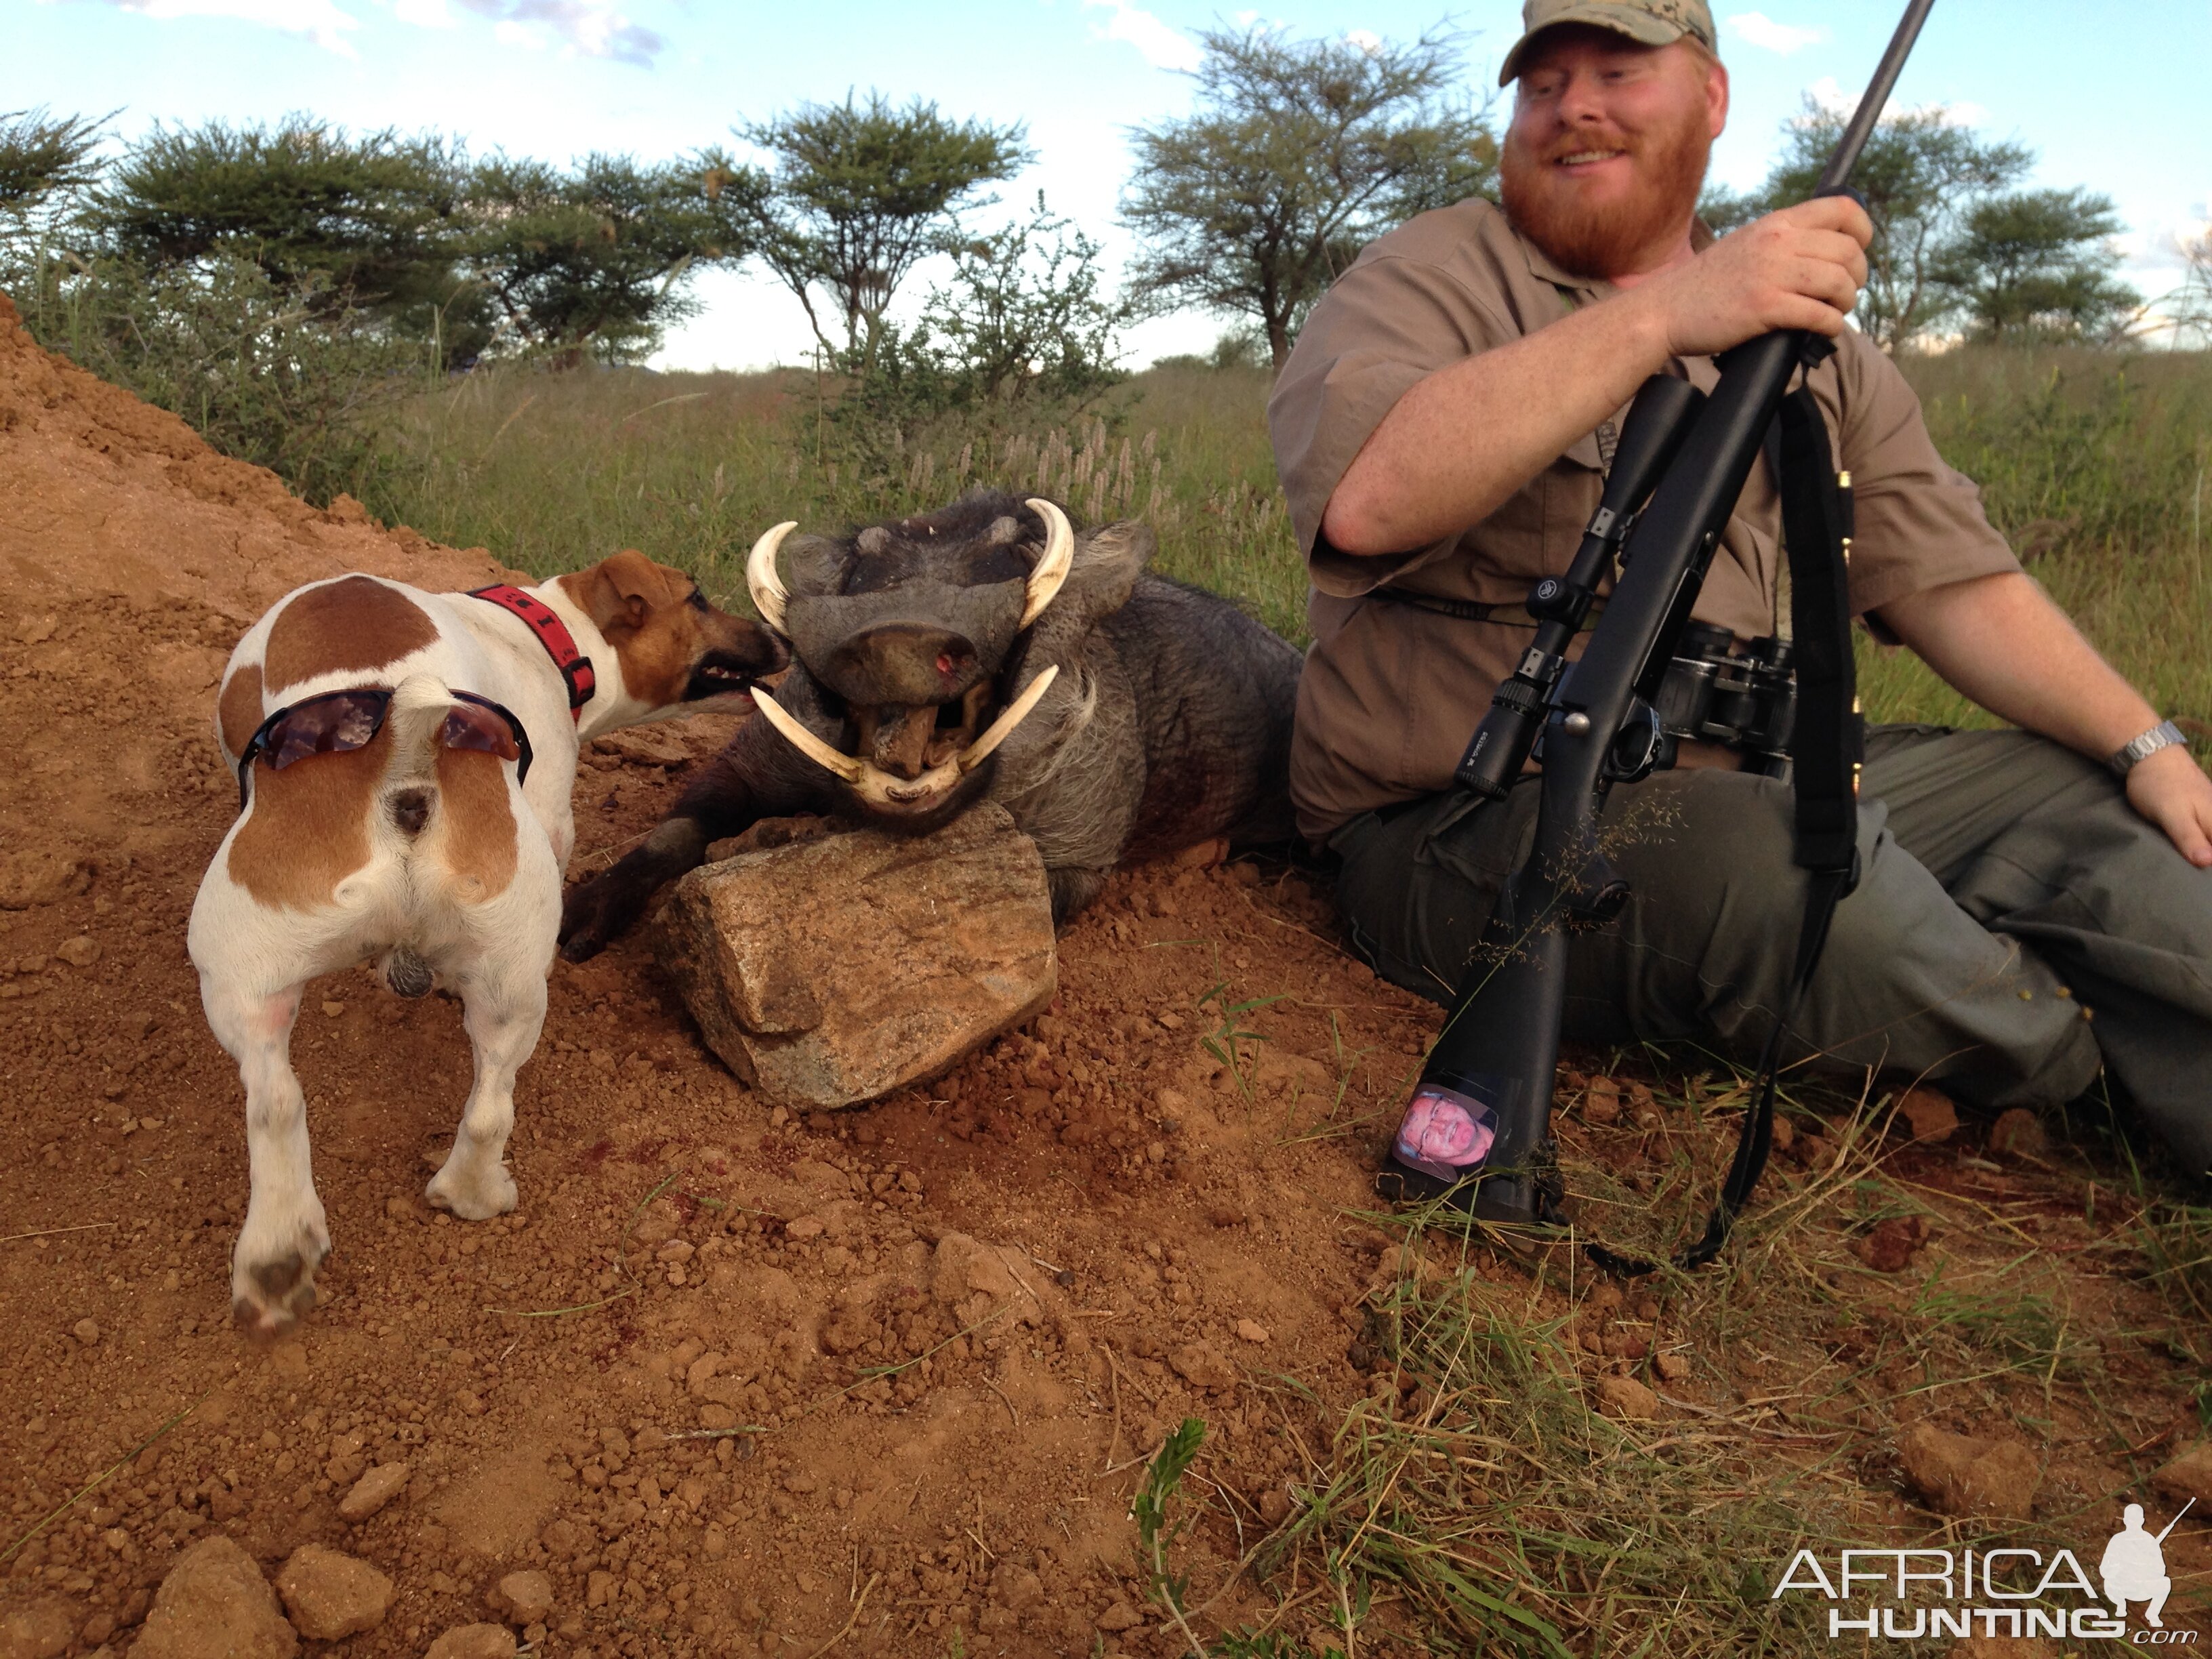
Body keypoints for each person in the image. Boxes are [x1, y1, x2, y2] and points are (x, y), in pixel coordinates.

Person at [1267, 0, 2212, 1176]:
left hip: (1753, 770)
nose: (1576, 108)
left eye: (1619, 70)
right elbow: (1368, 496)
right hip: (1463, 818)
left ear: (1712, 99)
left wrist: (2149, 743)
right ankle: (2087, 1063)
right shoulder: (1432, 271)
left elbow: (1956, 585)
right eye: (1544, 83)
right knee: (1783, 874)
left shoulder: (1808, 337)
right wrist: (1667, 315)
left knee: (2095, 806)